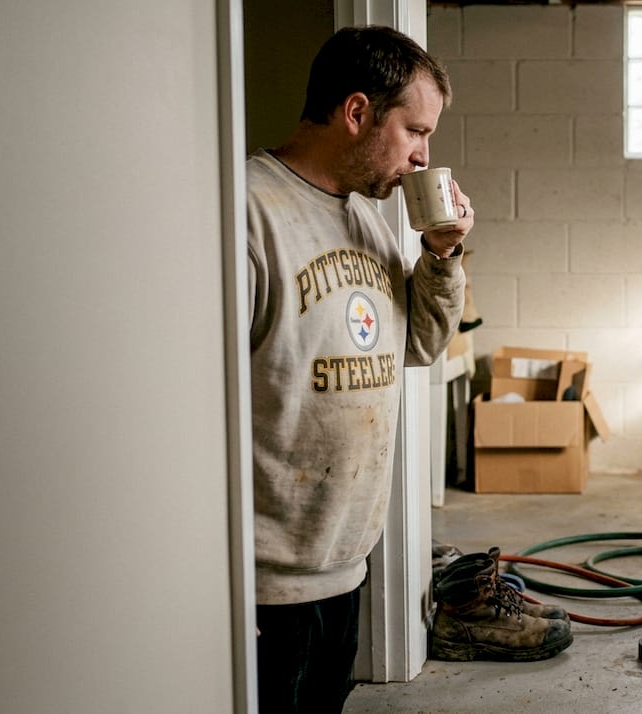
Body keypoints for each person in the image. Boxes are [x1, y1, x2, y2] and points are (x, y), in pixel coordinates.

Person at [246, 25, 493, 713]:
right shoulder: (247, 212)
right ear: (357, 112)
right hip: (264, 581)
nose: (422, 157)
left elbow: (416, 345)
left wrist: (442, 256)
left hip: (344, 563)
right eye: (415, 130)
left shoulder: (368, 221)